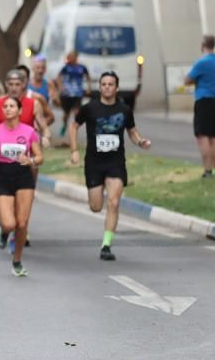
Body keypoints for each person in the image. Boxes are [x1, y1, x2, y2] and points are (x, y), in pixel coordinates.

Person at [70, 71, 152, 260]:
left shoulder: (124, 110)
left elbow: (132, 131)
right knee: (96, 206)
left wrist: (140, 141)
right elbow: (74, 126)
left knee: (113, 202)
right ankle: (98, 204)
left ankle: (106, 245)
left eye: (111, 84)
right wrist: (74, 150)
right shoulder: (90, 108)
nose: (107, 87)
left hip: (115, 162)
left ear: (117, 87)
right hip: (94, 163)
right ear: (100, 87)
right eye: (104, 84)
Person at [0, 95, 43, 277]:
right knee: (9, 223)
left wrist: (30, 160)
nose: (8, 109)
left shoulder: (29, 131)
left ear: (20, 110)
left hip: (23, 176)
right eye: (5, 106)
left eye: (12, 106)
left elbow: (39, 157)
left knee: (22, 224)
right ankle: (3, 232)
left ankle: (17, 261)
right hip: (2, 177)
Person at [189, 35, 215, 178]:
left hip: (204, 101)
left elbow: (187, 79)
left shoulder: (201, 62)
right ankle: (213, 169)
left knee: (203, 136)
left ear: (203, 45)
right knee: (213, 136)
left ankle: (208, 170)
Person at [56, 50, 91, 138]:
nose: (70, 58)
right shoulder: (66, 67)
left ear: (76, 57)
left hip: (77, 93)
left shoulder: (82, 67)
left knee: (76, 112)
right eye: (69, 56)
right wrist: (60, 87)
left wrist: (88, 87)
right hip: (66, 94)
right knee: (66, 114)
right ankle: (64, 124)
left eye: (72, 56)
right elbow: (59, 77)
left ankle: (74, 129)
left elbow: (88, 77)